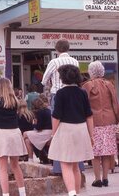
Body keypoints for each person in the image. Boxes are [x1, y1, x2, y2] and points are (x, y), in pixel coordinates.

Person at [48, 64, 94, 196]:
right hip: (81, 129)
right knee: (76, 165)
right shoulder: (82, 93)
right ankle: (76, 192)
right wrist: (91, 135)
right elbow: (89, 116)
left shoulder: (60, 93)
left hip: (66, 129)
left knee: (65, 164)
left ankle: (72, 193)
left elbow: (56, 117)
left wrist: (53, 134)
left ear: (62, 78)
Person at [41, 39, 79, 175]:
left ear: (56, 50)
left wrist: (51, 84)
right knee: (73, 126)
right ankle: (77, 165)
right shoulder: (75, 62)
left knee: (57, 130)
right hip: (74, 95)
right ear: (68, 48)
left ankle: (58, 167)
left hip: (57, 95)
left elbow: (44, 80)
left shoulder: (54, 62)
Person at [82, 61, 119, 187]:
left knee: (95, 151)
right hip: (109, 120)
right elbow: (115, 103)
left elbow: (84, 105)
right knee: (107, 151)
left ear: (91, 72)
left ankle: (97, 179)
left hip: (94, 121)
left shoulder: (87, 86)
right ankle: (105, 178)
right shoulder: (110, 84)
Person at [23, 97, 52, 163]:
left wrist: (34, 124)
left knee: (25, 134)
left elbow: (39, 128)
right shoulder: (47, 110)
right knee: (27, 140)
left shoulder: (40, 112)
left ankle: (28, 157)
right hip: (49, 133)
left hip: (45, 133)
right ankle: (29, 158)